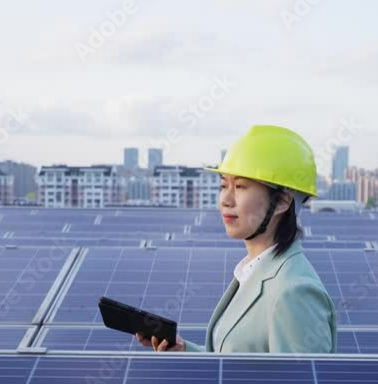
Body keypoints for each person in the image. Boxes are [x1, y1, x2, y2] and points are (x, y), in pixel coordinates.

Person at [136, 124, 337, 354]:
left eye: (240, 186)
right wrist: (184, 351)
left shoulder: (295, 293)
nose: (225, 200)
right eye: (224, 185)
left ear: (282, 202)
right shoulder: (255, 271)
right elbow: (241, 366)